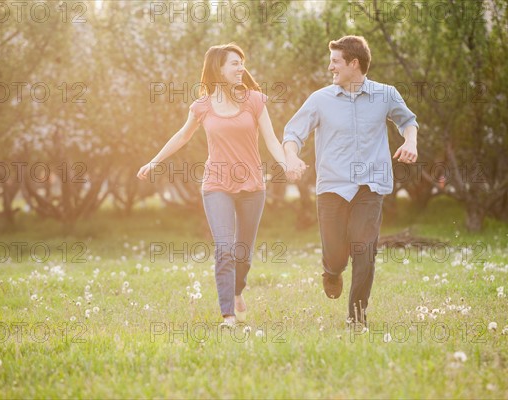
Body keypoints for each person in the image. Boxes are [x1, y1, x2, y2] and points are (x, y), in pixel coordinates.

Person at [137, 44, 287, 327]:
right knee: (224, 248)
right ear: (218, 68)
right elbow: (182, 137)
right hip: (216, 184)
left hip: (253, 185)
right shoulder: (202, 106)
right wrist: (155, 162)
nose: (240, 68)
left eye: (241, 63)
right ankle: (228, 314)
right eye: (234, 63)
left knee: (243, 251)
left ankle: (238, 288)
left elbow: (271, 140)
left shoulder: (254, 100)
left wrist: (285, 163)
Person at [283, 35, 419, 326]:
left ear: (353, 64)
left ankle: (357, 317)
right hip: (332, 187)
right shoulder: (320, 99)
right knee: (336, 256)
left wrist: (411, 142)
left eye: (335, 61)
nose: (330, 67)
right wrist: (292, 157)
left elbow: (408, 121)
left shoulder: (386, 95)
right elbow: (293, 133)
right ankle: (332, 272)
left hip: (370, 187)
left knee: (364, 250)